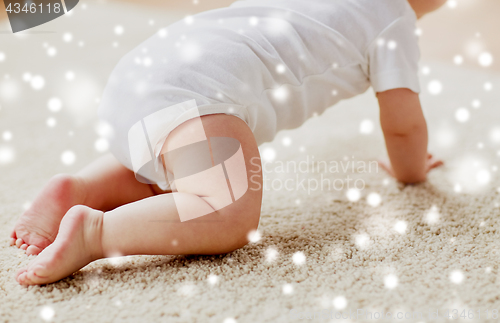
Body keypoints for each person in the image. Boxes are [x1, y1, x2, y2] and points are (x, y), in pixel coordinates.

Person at [12, 0, 444, 285]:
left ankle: (80, 188)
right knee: (226, 208)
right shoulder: (394, 21)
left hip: (141, 73)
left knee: (174, 175)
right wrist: (412, 172)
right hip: (196, 94)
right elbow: (403, 125)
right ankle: (95, 232)